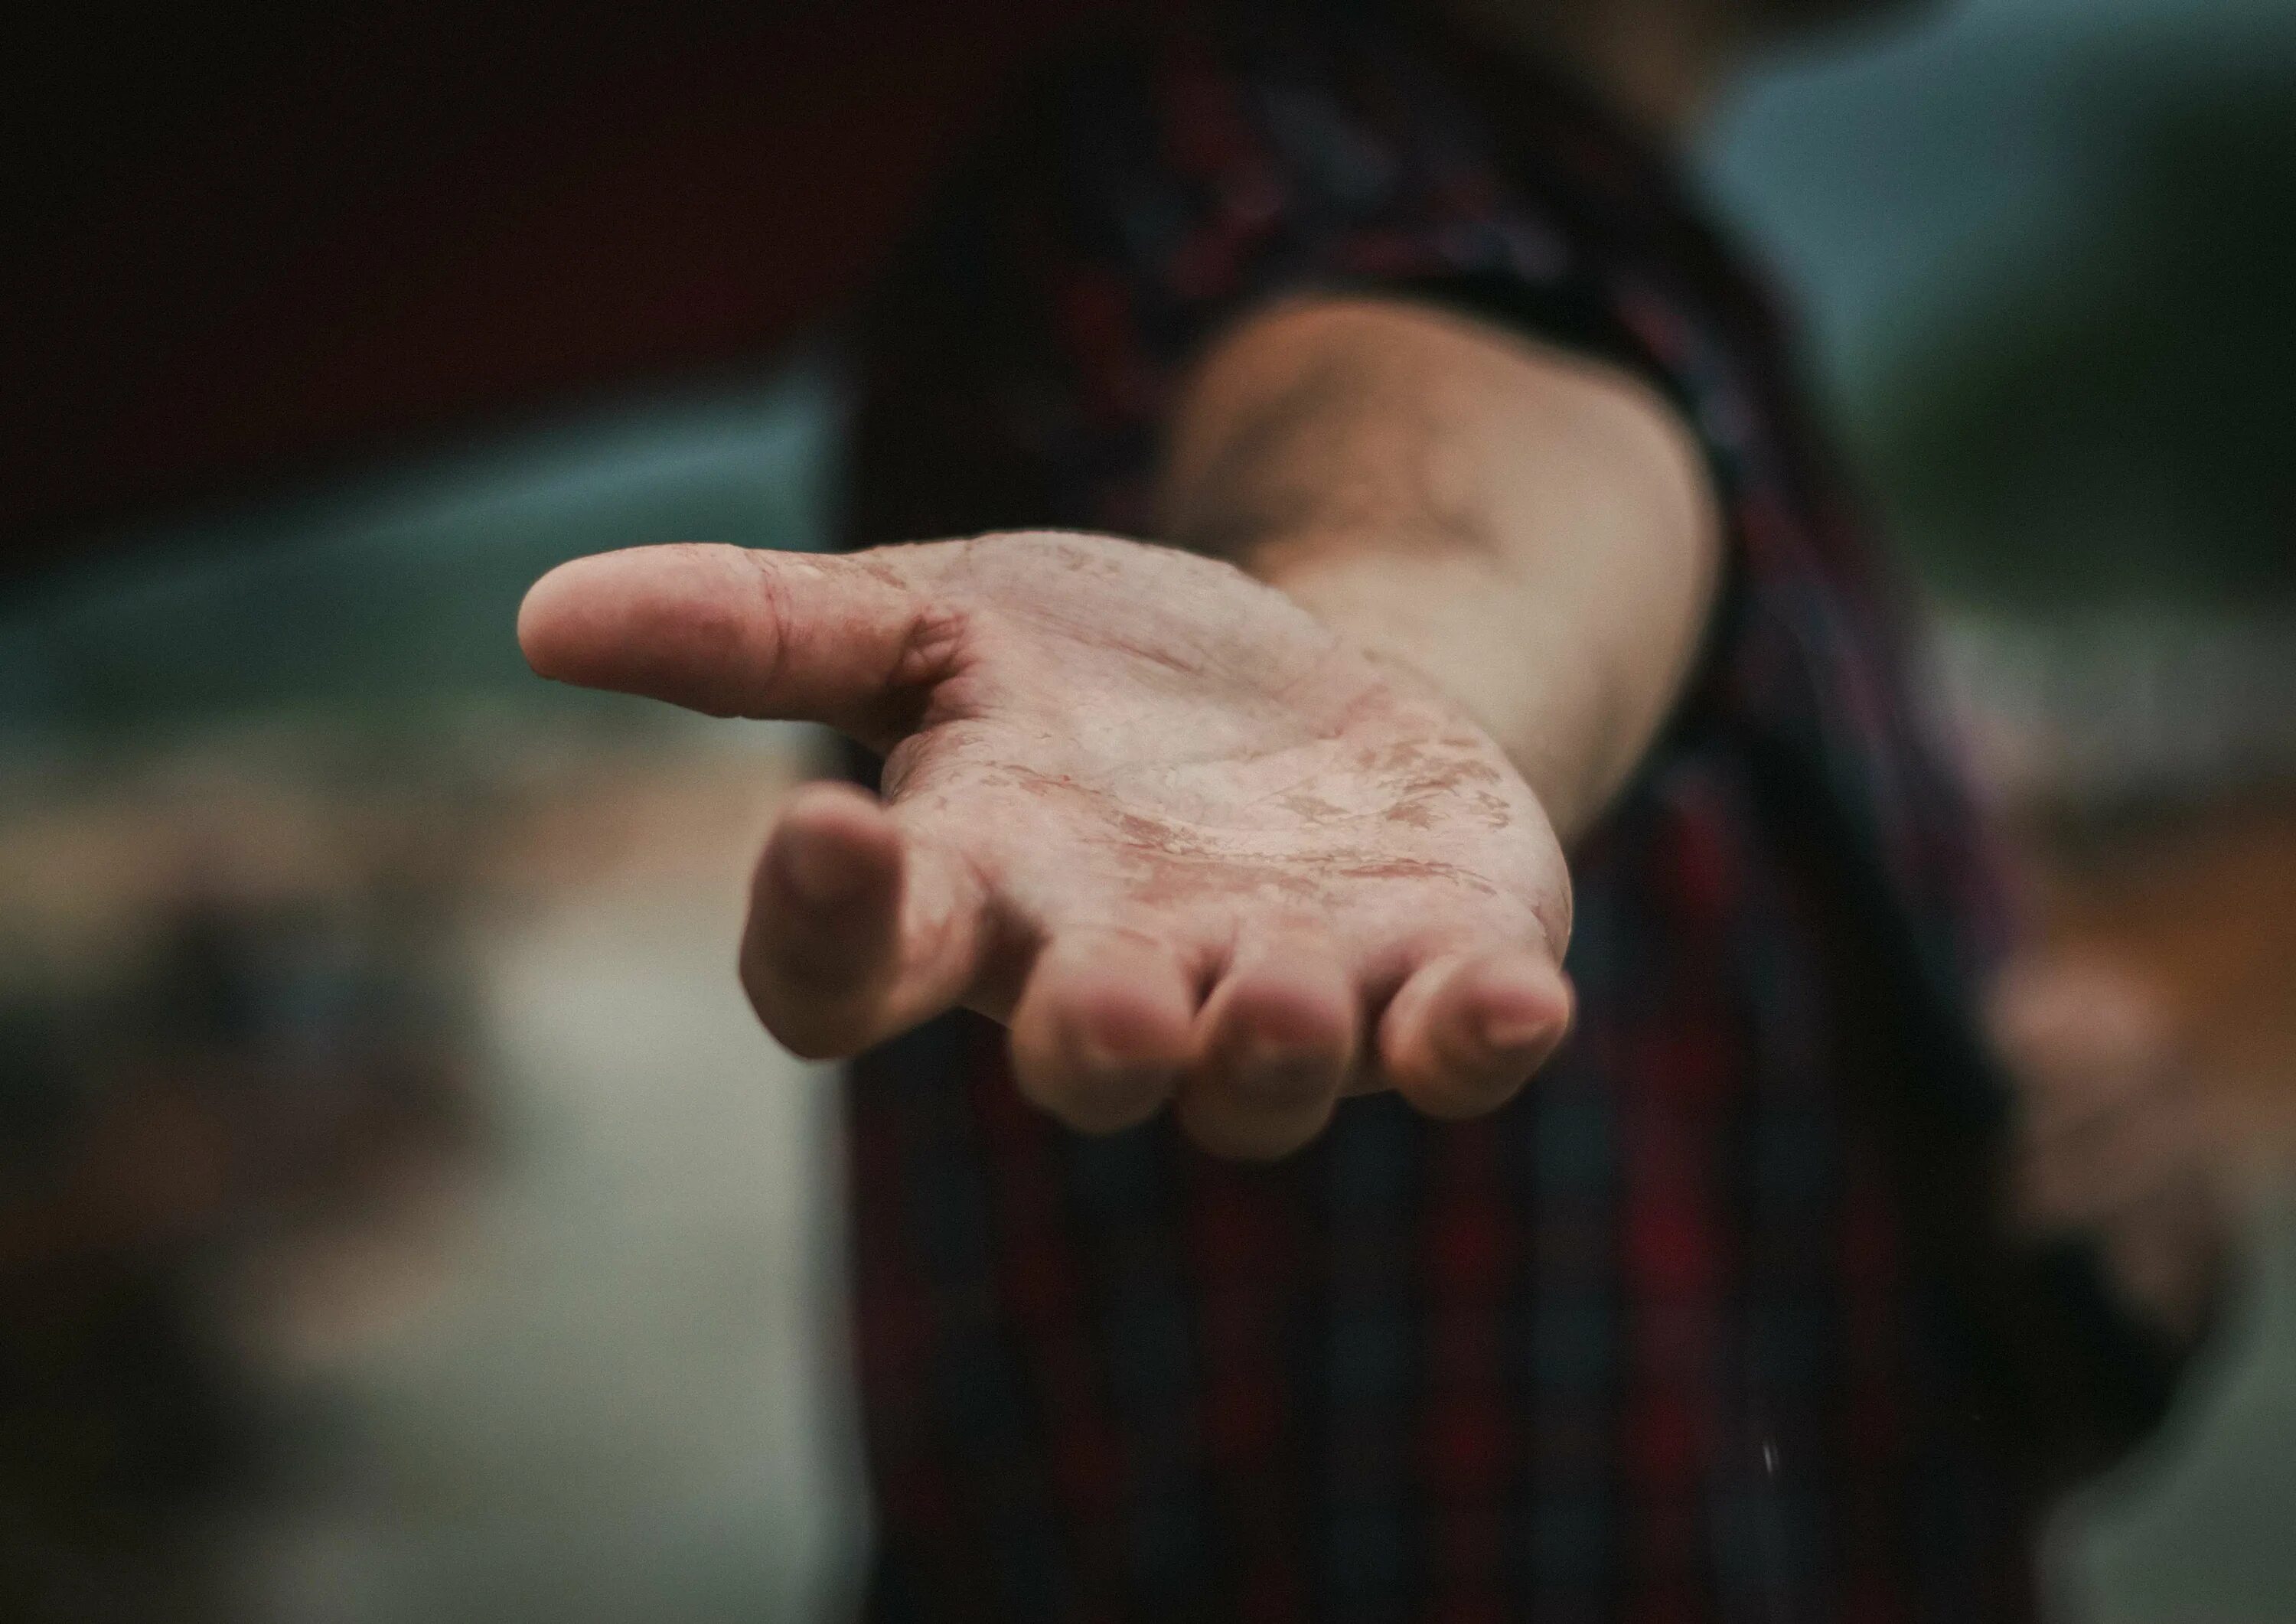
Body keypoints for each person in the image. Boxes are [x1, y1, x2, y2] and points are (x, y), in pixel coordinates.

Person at [517, 0, 2223, 1615]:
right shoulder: (1213, 135)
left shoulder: (1707, 295)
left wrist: (2108, 1206)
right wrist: (1402, 659)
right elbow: (1472, 431)